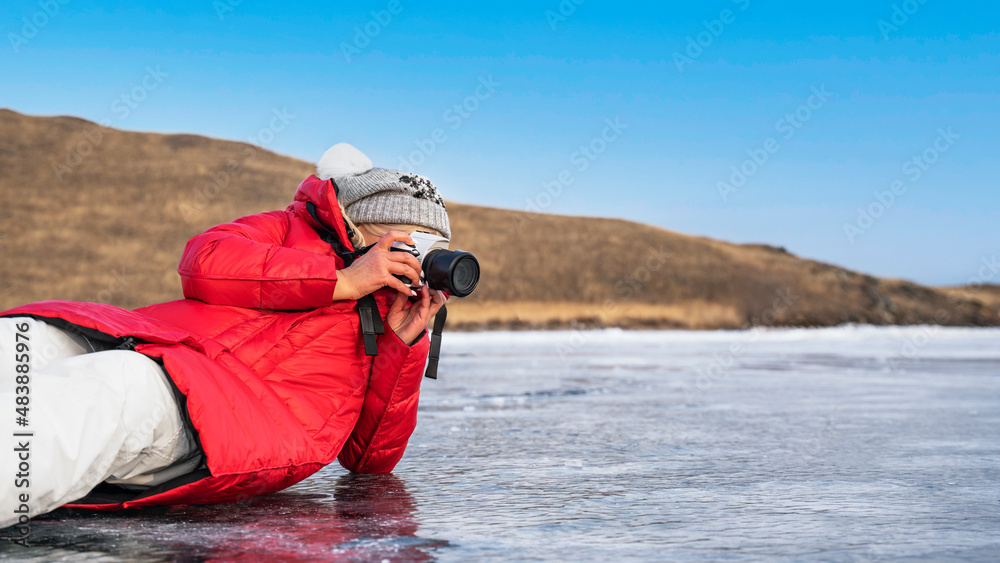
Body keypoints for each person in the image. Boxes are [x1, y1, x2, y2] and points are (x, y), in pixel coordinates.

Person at [0, 143, 451, 531]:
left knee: (111, 388)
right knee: (22, 338)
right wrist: (340, 280)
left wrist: (402, 343)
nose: (420, 262)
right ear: (364, 227)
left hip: (225, 418)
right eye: (416, 242)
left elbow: (369, 460)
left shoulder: (392, 316)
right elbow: (205, 262)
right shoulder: (287, 229)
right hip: (156, 343)